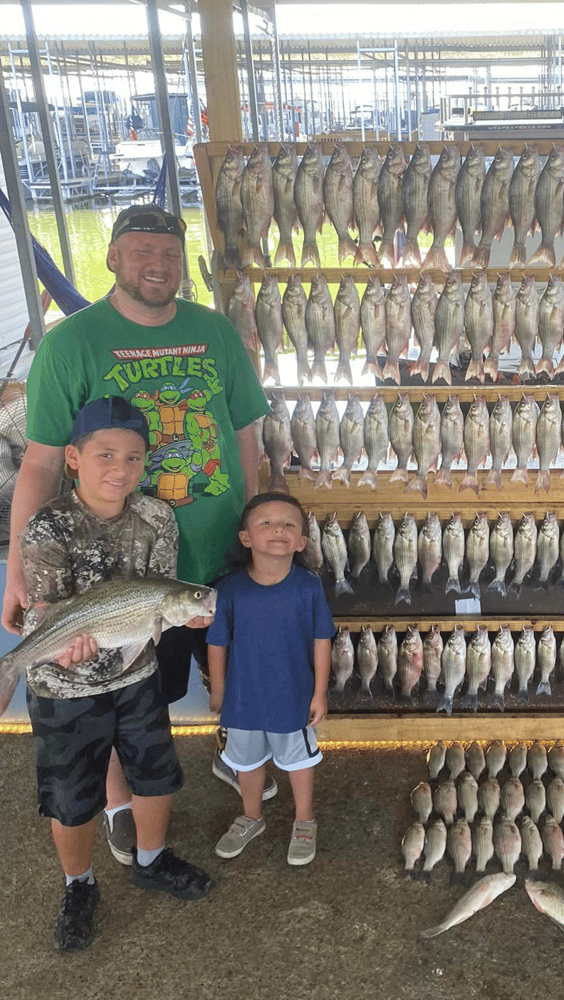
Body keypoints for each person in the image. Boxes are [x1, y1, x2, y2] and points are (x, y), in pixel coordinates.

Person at [2, 203, 272, 865]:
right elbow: (40, 460)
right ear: (114, 258)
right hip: (116, 564)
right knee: (128, 684)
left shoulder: (215, 332)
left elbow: (246, 437)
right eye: (142, 252)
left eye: (170, 255)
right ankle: (121, 805)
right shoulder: (71, 343)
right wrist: (17, 567)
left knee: (227, 670)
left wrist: (255, 520)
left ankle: (237, 758)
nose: (158, 265)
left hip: (216, 549)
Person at [16, 396, 212, 953]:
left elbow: (160, 601)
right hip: (65, 687)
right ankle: (78, 886)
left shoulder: (157, 517)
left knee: (157, 775)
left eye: (132, 457)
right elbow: (51, 613)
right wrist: (61, 650)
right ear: (74, 458)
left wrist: (181, 613)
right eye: (105, 454)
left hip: (137, 676)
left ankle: (150, 858)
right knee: (71, 800)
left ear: (145, 462)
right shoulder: (48, 524)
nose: (119, 469)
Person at [207, 493, 333, 866]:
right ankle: (251, 817)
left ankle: (305, 820)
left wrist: (320, 693)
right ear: (246, 538)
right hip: (242, 700)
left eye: (289, 525)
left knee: (298, 762)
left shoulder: (309, 587)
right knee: (246, 765)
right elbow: (216, 643)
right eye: (266, 523)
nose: (278, 529)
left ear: (302, 542)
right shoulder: (228, 589)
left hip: (293, 698)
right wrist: (218, 690)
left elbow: (322, 640)